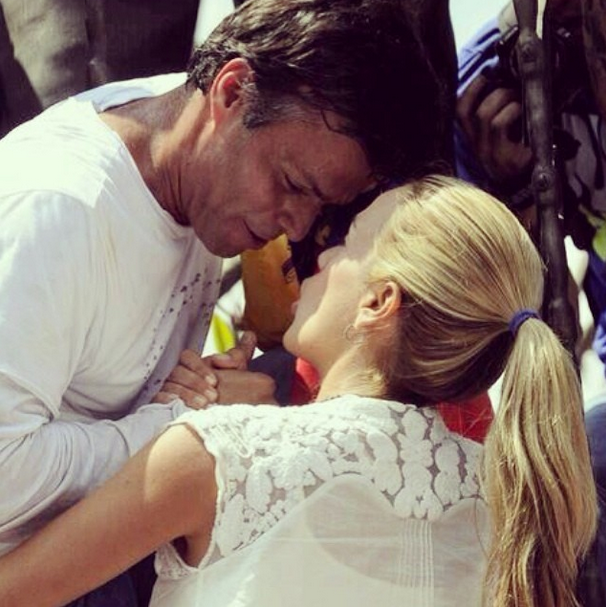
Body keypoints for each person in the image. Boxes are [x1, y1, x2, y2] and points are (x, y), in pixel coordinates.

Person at [0, 176, 597, 607]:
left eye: (348, 244)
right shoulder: (511, 503)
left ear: (378, 301)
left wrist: (170, 419)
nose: (322, 253)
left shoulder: (218, 457)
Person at [0, 0, 445, 558]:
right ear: (231, 93)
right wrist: (193, 429)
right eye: (292, 184)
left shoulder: (193, 154)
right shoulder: (56, 208)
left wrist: (197, 395)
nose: (296, 226)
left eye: (321, 206)